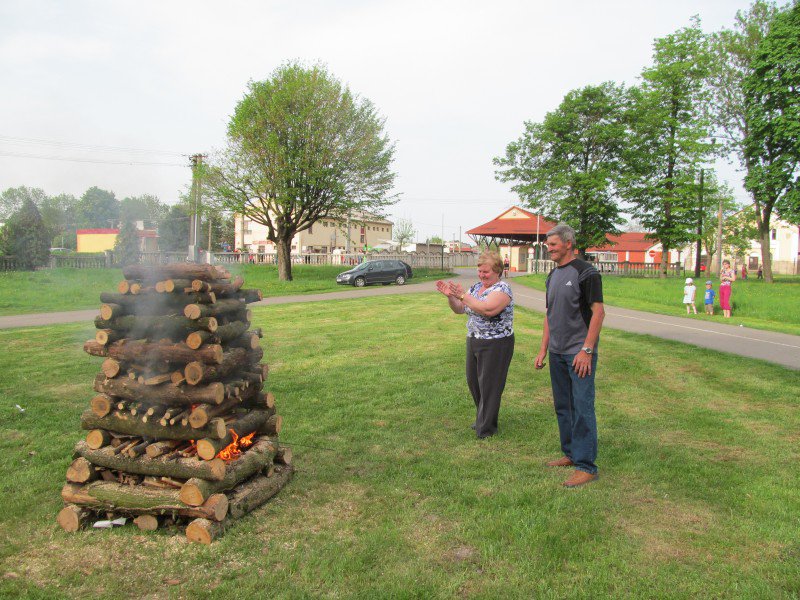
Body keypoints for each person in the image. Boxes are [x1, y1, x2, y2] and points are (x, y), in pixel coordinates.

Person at [534, 223, 605, 488]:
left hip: (578, 353)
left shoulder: (586, 273)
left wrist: (587, 350)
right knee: (563, 406)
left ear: (568, 243)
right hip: (557, 352)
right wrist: (543, 349)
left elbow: (598, 313)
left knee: (582, 406)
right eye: (548, 245)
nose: (549, 249)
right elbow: (549, 315)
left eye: (553, 244)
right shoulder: (552, 276)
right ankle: (571, 453)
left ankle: (586, 466)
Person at [436, 251, 514, 440]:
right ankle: (483, 418)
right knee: (474, 382)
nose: (481, 275)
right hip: (474, 339)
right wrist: (451, 297)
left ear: (497, 271)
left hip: (496, 343)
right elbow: (460, 309)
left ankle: (486, 428)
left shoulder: (503, 289)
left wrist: (462, 295)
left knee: (490, 385)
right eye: (480, 271)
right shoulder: (476, 287)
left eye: (486, 272)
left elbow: (487, 309)